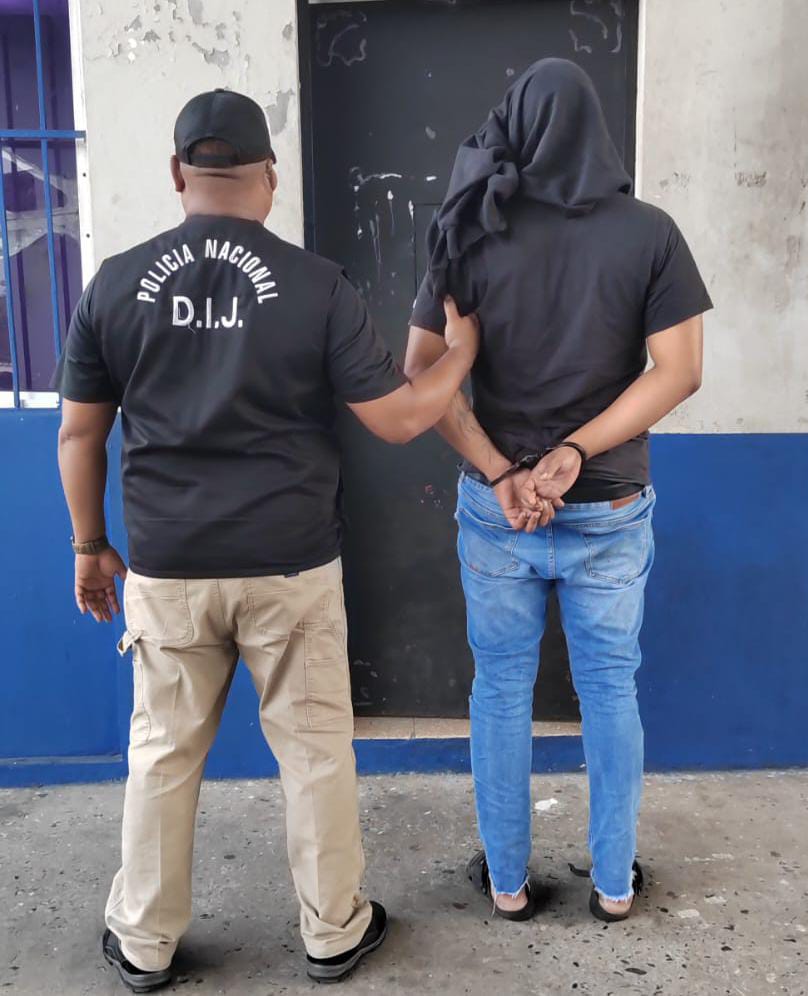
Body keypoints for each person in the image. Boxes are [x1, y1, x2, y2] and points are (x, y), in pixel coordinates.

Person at [55, 89, 478, 991]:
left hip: (168, 564)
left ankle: (144, 942)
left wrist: (91, 547)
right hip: (290, 564)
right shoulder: (317, 286)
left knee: (162, 755)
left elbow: (79, 435)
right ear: (270, 178)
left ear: (177, 173)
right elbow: (399, 419)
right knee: (314, 751)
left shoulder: (116, 283)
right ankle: (332, 931)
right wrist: (463, 355)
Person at [404, 59, 711, 922]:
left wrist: (503, 471)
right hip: (607, 503)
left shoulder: (467, 229)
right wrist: (574, 452)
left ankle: (506, 884)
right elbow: (679, 371)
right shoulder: (650, 233)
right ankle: (613, 885)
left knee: (500, 688)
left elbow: (419, 375)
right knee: (610, 688)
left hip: (496, 508)